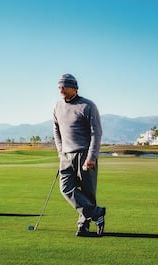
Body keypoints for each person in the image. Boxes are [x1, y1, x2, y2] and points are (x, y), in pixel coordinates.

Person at [53, 73, 106, 237]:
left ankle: (83, 226)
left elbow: (96, 133)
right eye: (59, 87)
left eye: (64, 87)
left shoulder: (87, 105)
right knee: (65, 188)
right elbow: (56, 130)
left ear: (74, 88)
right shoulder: (57, 106)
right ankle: (97, 213)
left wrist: (91, 157)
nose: (61, 90)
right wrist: (61, 152)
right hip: (66, 156)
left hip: (84, 154)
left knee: (88, 192)